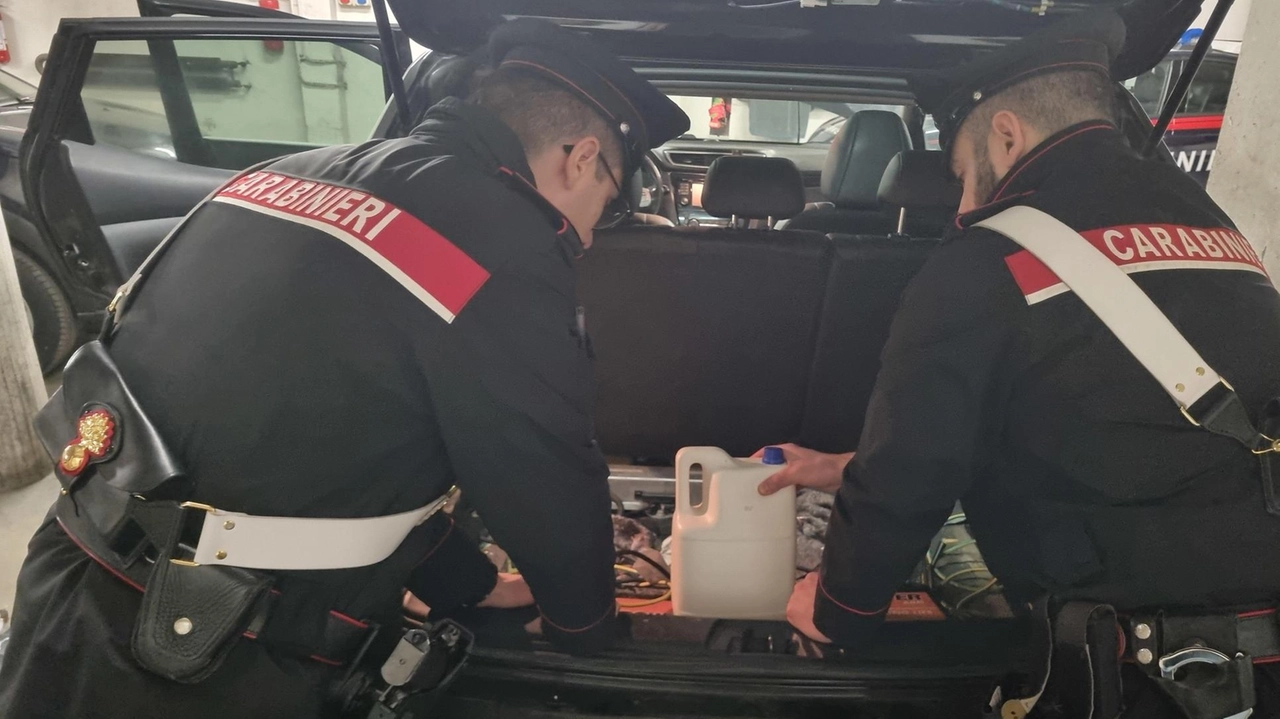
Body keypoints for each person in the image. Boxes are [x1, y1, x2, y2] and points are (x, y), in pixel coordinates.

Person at [0, 18, 688, 718]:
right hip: (197, 654)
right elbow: (538, 465)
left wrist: (473, 587)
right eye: (611, 197)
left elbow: (340, 432)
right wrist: (584, 627)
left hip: (68, 570)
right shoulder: (503, 242)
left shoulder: (280, 175)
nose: (597, 230)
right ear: (582, 157)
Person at [764, 9, 1280, 717]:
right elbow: (1116, 413)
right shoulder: (1213, 225)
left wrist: (836, 609)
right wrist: (847, 461)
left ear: (1006, 134)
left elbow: (908, 473)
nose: (963, 206)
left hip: (1148, 682)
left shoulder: (986, 262)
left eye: (960, 177)